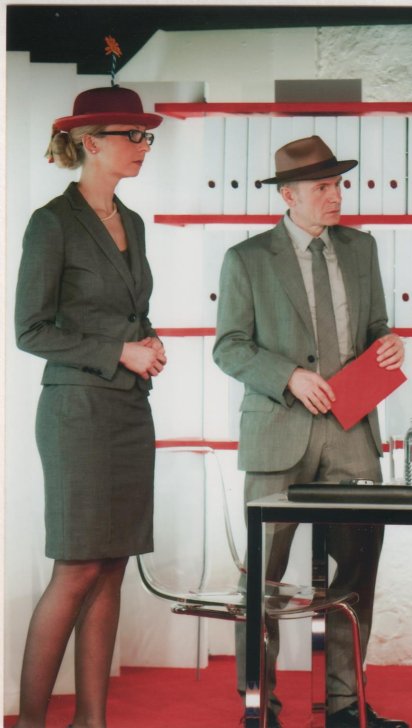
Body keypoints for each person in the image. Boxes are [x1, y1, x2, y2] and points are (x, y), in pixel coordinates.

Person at [213, 135, 406, 728]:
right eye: (323, 186)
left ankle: (346, 706)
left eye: (338, 184)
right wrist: (289, 376)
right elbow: (229, 347)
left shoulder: (361, 248)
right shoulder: (247, 258)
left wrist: (389, 343)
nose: (336, 195)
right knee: (262, 579)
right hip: (279, 432)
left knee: (358, 570)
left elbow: (375, 325)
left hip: (352, 431)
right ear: (288, 195)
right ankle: (259, 707)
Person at [13, 84, 166, 728]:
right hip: (77, 413)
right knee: (76, 567)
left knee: (111, 567)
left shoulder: (131, 221)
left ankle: (92, 722)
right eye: (132, 136)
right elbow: (30, 331)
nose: (143, 146)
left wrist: (148, 341)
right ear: (91, 142)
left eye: (145, 136)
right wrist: (119, 351)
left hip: (128, 412)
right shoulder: (52, 222)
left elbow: (127, 311)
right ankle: (33, 722)